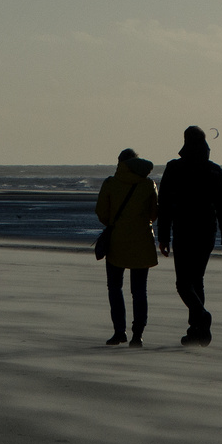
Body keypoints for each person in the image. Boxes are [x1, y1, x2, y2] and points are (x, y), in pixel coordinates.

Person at [157, 126, 222, 347]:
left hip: (184, 230)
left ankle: (201, 317)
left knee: (183, 283)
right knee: (196, 280)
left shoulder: (175, 168)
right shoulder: (214, 170)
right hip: (207, 231)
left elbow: (165, 205)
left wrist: (163, 236)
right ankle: (197, 329)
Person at [95, 149, 158, 347]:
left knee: (115, 288)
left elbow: (102, 213)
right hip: (142, 243)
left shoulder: (111, 183)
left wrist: (115, 222)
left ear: (121, 163)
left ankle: (119, 331)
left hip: (117, 243)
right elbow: (154, 214)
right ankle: (137, 335)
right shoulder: (148, 184)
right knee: (139, 291)